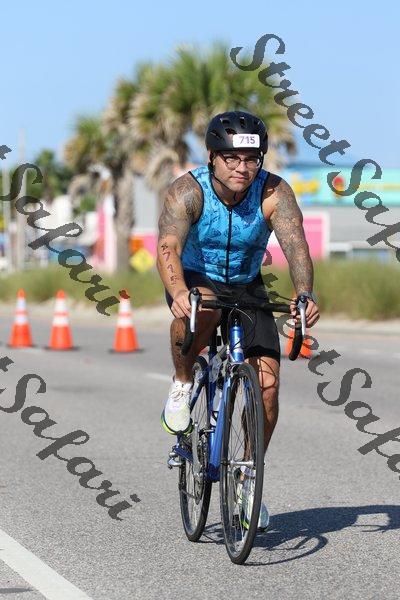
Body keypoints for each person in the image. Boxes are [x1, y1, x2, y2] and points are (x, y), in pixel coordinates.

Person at [156, 110, 320, 529]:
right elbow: (168, 246)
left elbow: (296, 246)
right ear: (212, 157)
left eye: (250, 159)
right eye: (231, 158)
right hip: (196, 278)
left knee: (267, 388)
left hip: (248, 284)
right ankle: (182, 382)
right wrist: (178, 291)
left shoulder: (274, 192)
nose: (241, 168)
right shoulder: (187, 191)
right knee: (206, 306)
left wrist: (304, 294)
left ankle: (247, 477)